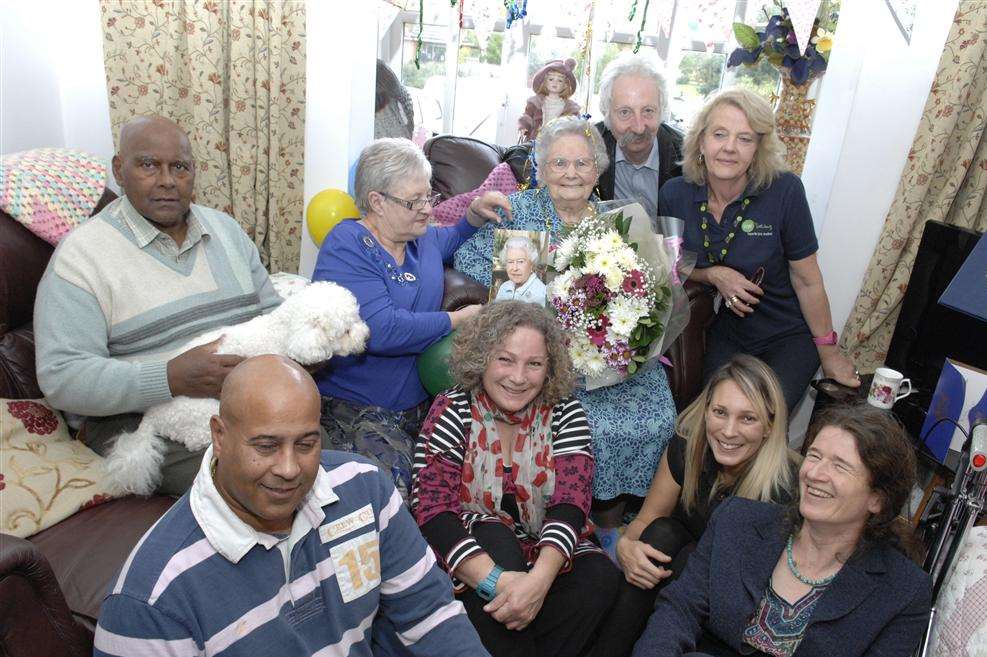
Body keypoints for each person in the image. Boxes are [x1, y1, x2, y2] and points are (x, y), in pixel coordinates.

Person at [94, 355, 490, 657]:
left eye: (306, 443)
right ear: (219, 436)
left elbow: (432, 616)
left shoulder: (366, 489)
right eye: (266, 446)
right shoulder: (149, 600)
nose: (289, 470)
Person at [34, 115, 281, 496]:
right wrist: (169, 377)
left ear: (193, 173)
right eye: (148, 165)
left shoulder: (226, 231)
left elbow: (272, 316)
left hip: (246, 403)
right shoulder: (81, 257)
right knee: (262, 478)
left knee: (317, 454)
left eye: (179, 167)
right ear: (119, 169)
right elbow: (62, 377)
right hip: (141, 423)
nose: (167, 180)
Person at [454, 116, 678, 526]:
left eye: (582, 164)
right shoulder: (518, 212)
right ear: (540, 168)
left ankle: (615, 521)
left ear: (598, 170)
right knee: (585, 424)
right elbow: (467, 259)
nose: (571, 173)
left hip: (611, 360)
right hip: (544, 357)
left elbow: (651, 291)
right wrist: (511, 285)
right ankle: (568, 520)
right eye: (559, 164)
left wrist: (623, 335)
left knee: (658, 414)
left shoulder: (621, 219)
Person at [632, 403, 932, 657]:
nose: (814, 474)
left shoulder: (903, 592)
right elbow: (680, 609)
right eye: (814, 456)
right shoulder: (738, 520)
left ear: (877, 498)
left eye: (839, 466)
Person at [411, 302, 621, 657]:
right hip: (467, 551)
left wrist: (537, 584)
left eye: (534, 364)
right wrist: (499, 582)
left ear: (549, 368)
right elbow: (432, 510)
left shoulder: (566, 411)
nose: (518, 377)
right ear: (482, 358)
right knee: (497, 539)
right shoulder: (453, 407)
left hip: (541, 545)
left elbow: (571, 503)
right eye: (505, 360)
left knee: (600, 577)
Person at [313, 138, 503, 501]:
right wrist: (456, 320)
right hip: (356, 406)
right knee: (395, 497)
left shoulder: (421, 240)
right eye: (413, 201)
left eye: (428, 197)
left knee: (476, 482)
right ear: (377, 202)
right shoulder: (348, 244)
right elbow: (382, 329)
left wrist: (474, 215)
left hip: (420, 405)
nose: (427, 210)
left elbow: (454, 235)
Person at [659, 88, 859, 413]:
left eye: (745, 138)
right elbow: (670, 266)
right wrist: (712, 274)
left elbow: (808, 280)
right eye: (719, 134)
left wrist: (829, 352)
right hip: (730, 333)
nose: (729, 148)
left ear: (759, 148)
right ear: (700, 140)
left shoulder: (785, 191)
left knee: (760, 418)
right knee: (711, 416)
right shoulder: (675, 194)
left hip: (789, 335)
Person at [596, 354, 798, 657]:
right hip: (674, 578)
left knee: (685, 554)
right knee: (662, 533)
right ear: (706, 411)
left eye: (748, 418)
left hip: (732, 604)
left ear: (769, 426)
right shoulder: (687, 446)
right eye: (720, 412)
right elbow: (645, 520)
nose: (729, 431)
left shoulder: (785, 488)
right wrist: (626, 547)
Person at [595, 53, 684, 219]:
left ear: (662, 111)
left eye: (648, 111)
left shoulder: (687, 157)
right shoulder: (588, 147)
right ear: (607, 114)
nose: (638, 127)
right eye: (624, 112)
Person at [518, 58, 582, 141]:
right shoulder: (535, 102)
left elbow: (576, 125)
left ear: (565, 85)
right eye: (551, 79)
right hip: (536, 142)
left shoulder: (571, 108)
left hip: (558, 145)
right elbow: (527, 116)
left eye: (560, 80)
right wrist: (524, 126)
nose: (555, 83)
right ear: (545, 82)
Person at [493, 235, 546, 305]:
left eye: (520, 261)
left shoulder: (541, 293)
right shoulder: (504, 287)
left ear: (532, 264)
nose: (515, 268)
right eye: (510, 262)